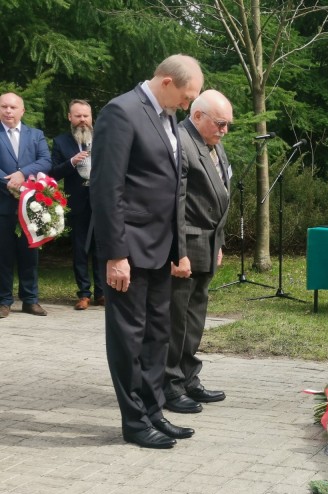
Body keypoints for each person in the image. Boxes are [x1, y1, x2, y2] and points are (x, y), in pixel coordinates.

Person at [90, 54, 204, 449]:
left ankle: (154, 411)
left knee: (157, 335)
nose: (188, 105)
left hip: (160, 249)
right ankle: (135, 422)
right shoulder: (121, 112)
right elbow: (107, 188)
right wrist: (114, 254)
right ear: (167, 82)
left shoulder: (167, 116)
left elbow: (174, 189)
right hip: (130, 249)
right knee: (129, 338)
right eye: (187, 96)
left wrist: (179, 248)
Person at [163, 90, 231, 414]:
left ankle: (188, 377)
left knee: (194, 319)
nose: (224, 130)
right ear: (198, 115)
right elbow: (174, 202)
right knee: (175, 321)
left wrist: (220, 241)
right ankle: (169, 386)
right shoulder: (181, 141)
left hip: (207, 243)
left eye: (227, 124)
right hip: (186, 246)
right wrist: (178, 252)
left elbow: (221, 193)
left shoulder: (212, 142)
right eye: (220, 123)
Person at [0, 92, 52, 319]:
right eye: (4, 106)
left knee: (30, 255)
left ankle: (30, 300)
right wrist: (9, 182)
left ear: (22, 110)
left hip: (31, 206)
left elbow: (45, 160)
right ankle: (3, 301)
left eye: (13, 107)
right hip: (2, 204)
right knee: (3, 255)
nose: (8, 111)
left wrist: (22, 174)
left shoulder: (36, 135)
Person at [51, 99, 104, 310]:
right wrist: (72, 162)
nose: (82, 120)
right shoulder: (61, 142)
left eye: (86, 116)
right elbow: (53, 173)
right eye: (78, 116)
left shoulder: (103, 138)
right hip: (77, 200)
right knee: (80, 248)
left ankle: (102, 293)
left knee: (101, 247)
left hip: (101, 201)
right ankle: (83, 294)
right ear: (70, 118)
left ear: (92, 117)